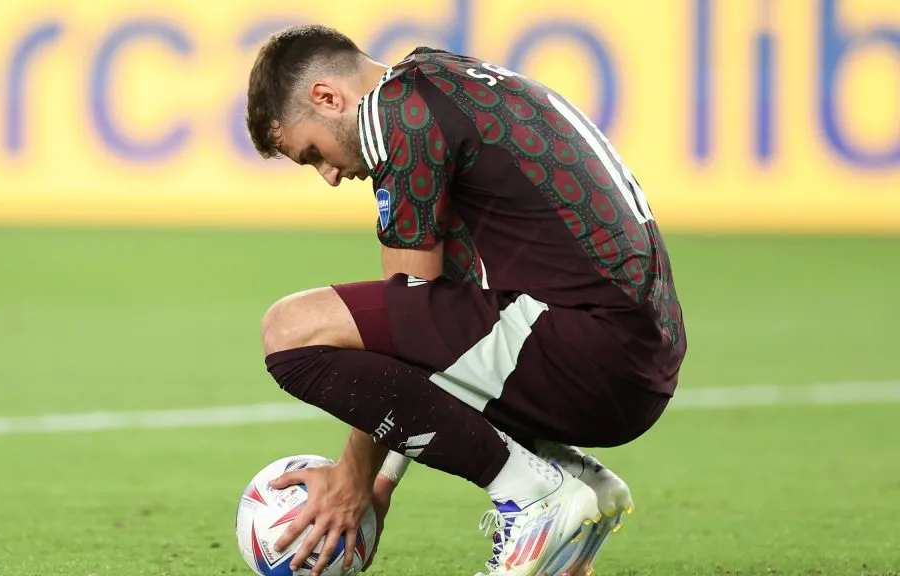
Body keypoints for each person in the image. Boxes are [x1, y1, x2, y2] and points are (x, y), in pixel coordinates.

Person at [245, 23, 686, 576]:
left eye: (313, 154)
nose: (330, 176)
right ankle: (569, 482)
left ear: (328, 97)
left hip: (590, 351)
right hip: (630, 366)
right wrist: (380, 478)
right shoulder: (444, 85)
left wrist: (354, 478)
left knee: (291, 331)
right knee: (433, 309)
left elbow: (406, 321)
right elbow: (432, 329)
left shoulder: (396, 111)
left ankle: (535, 498)